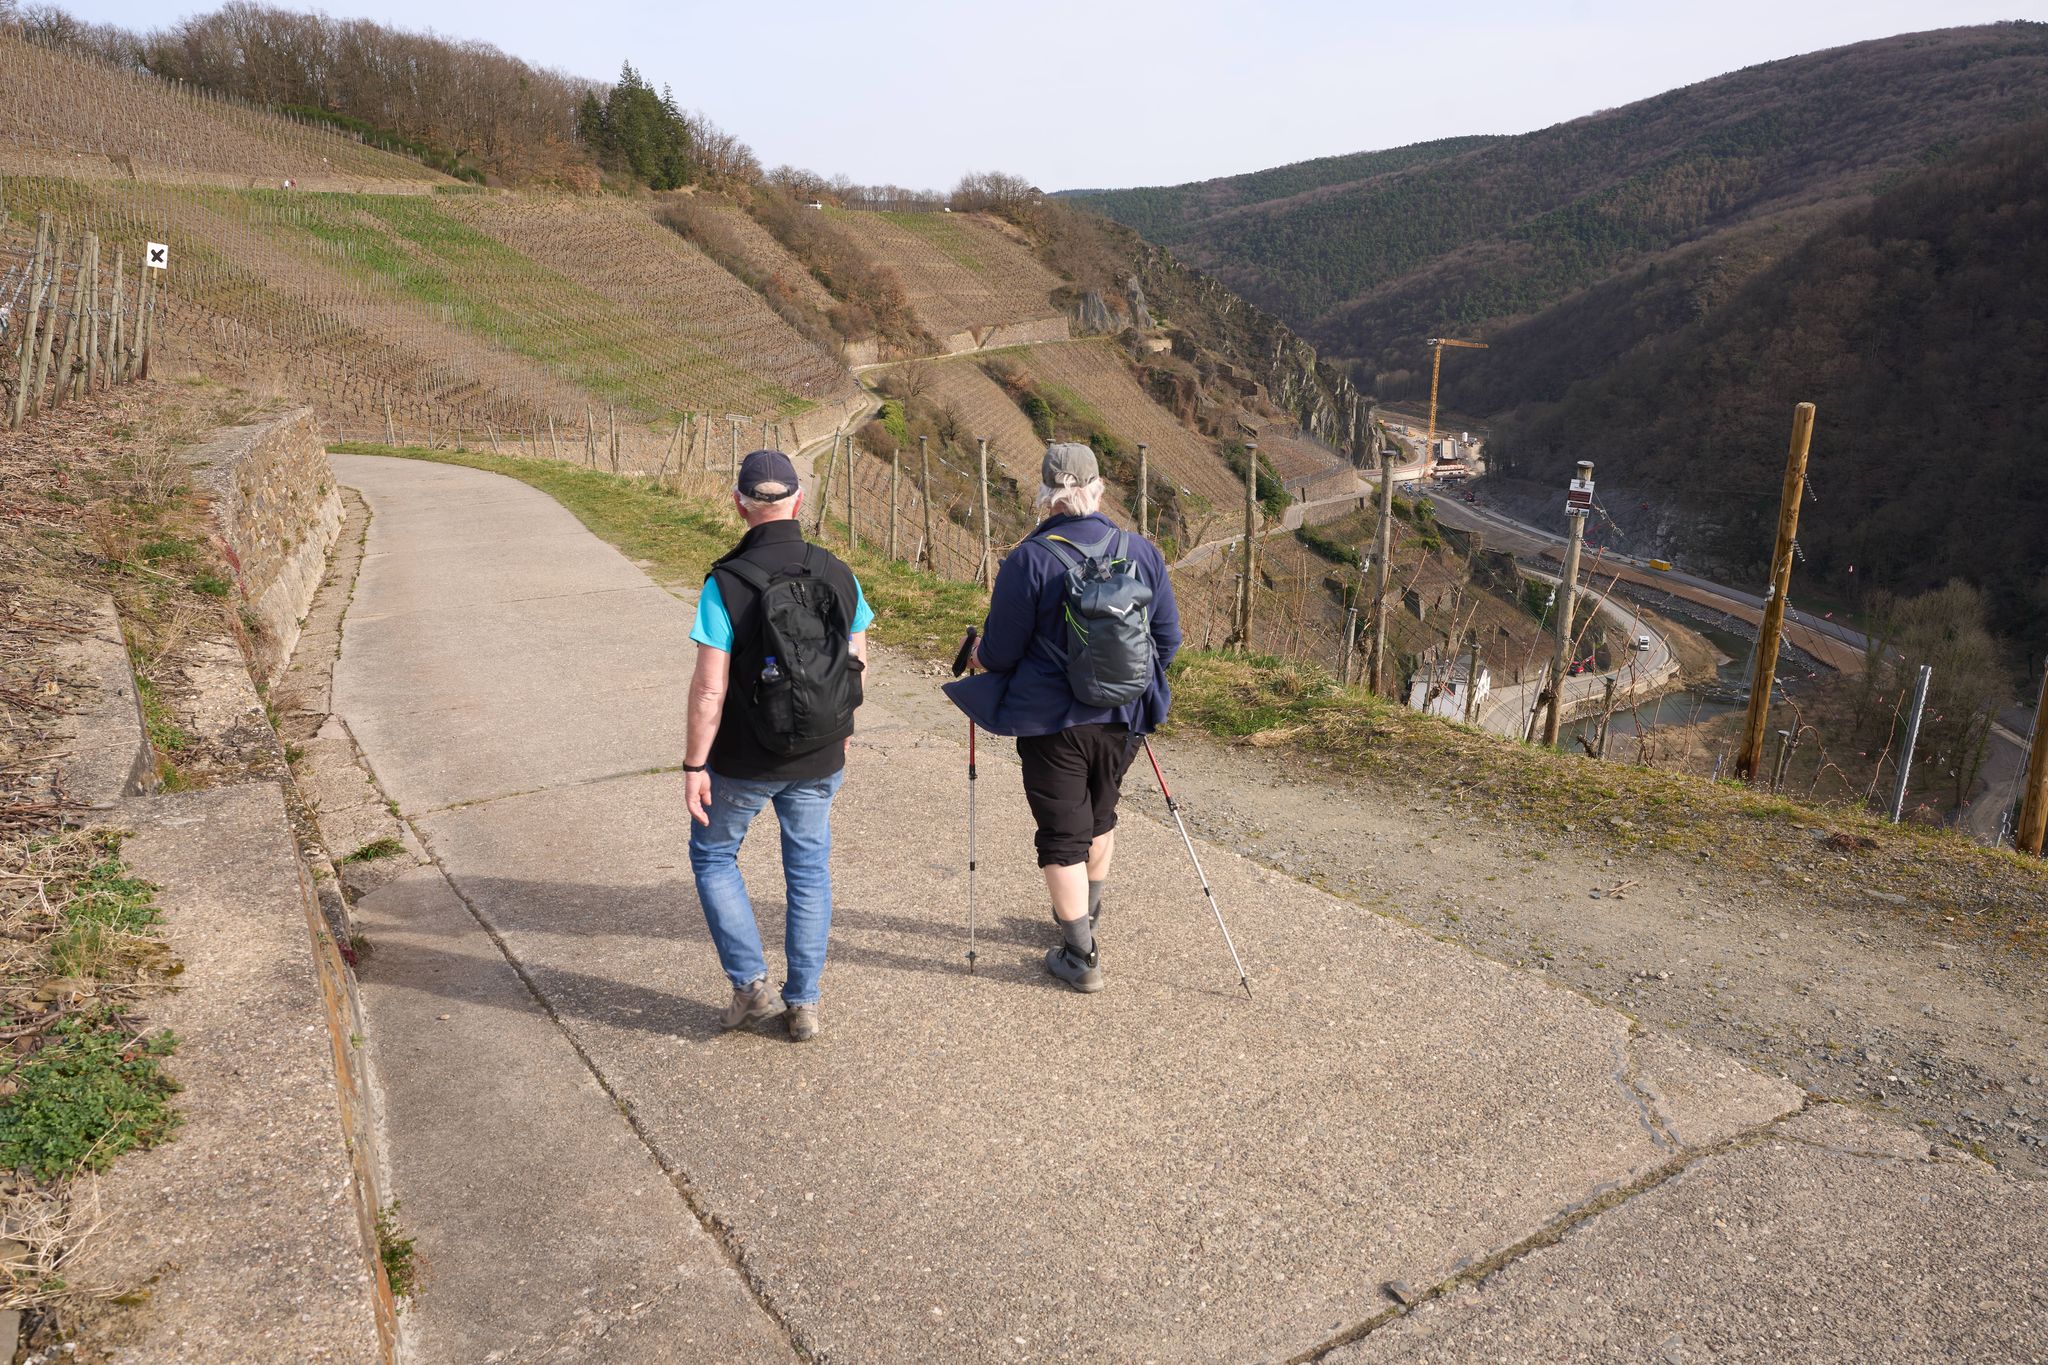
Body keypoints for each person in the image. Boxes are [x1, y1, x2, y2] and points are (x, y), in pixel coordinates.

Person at [951, 442, 1181, 992]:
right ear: (1098, 488)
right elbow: (1167, 640)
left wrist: (977, 655)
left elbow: (1002, 654)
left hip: (1051, 721)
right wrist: (1129, 681)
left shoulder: (1029, 560)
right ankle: (1087, 916)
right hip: (1124, 715)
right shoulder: (1140, 550)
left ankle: (1080, 956)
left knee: (1061, 834)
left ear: (1046, 495)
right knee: (1100, 817)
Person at [684, 449, 873, 1041]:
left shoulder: (726, 583)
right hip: (820, 754)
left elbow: (710, 689)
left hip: (743, 759)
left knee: (715, 855)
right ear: (798, 500)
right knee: (809, 871)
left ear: (739, 503)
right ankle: (804, 1004)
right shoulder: (838, 571)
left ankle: (750, 988)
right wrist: (835, 732)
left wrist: (694, 764)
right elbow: (858, 662)